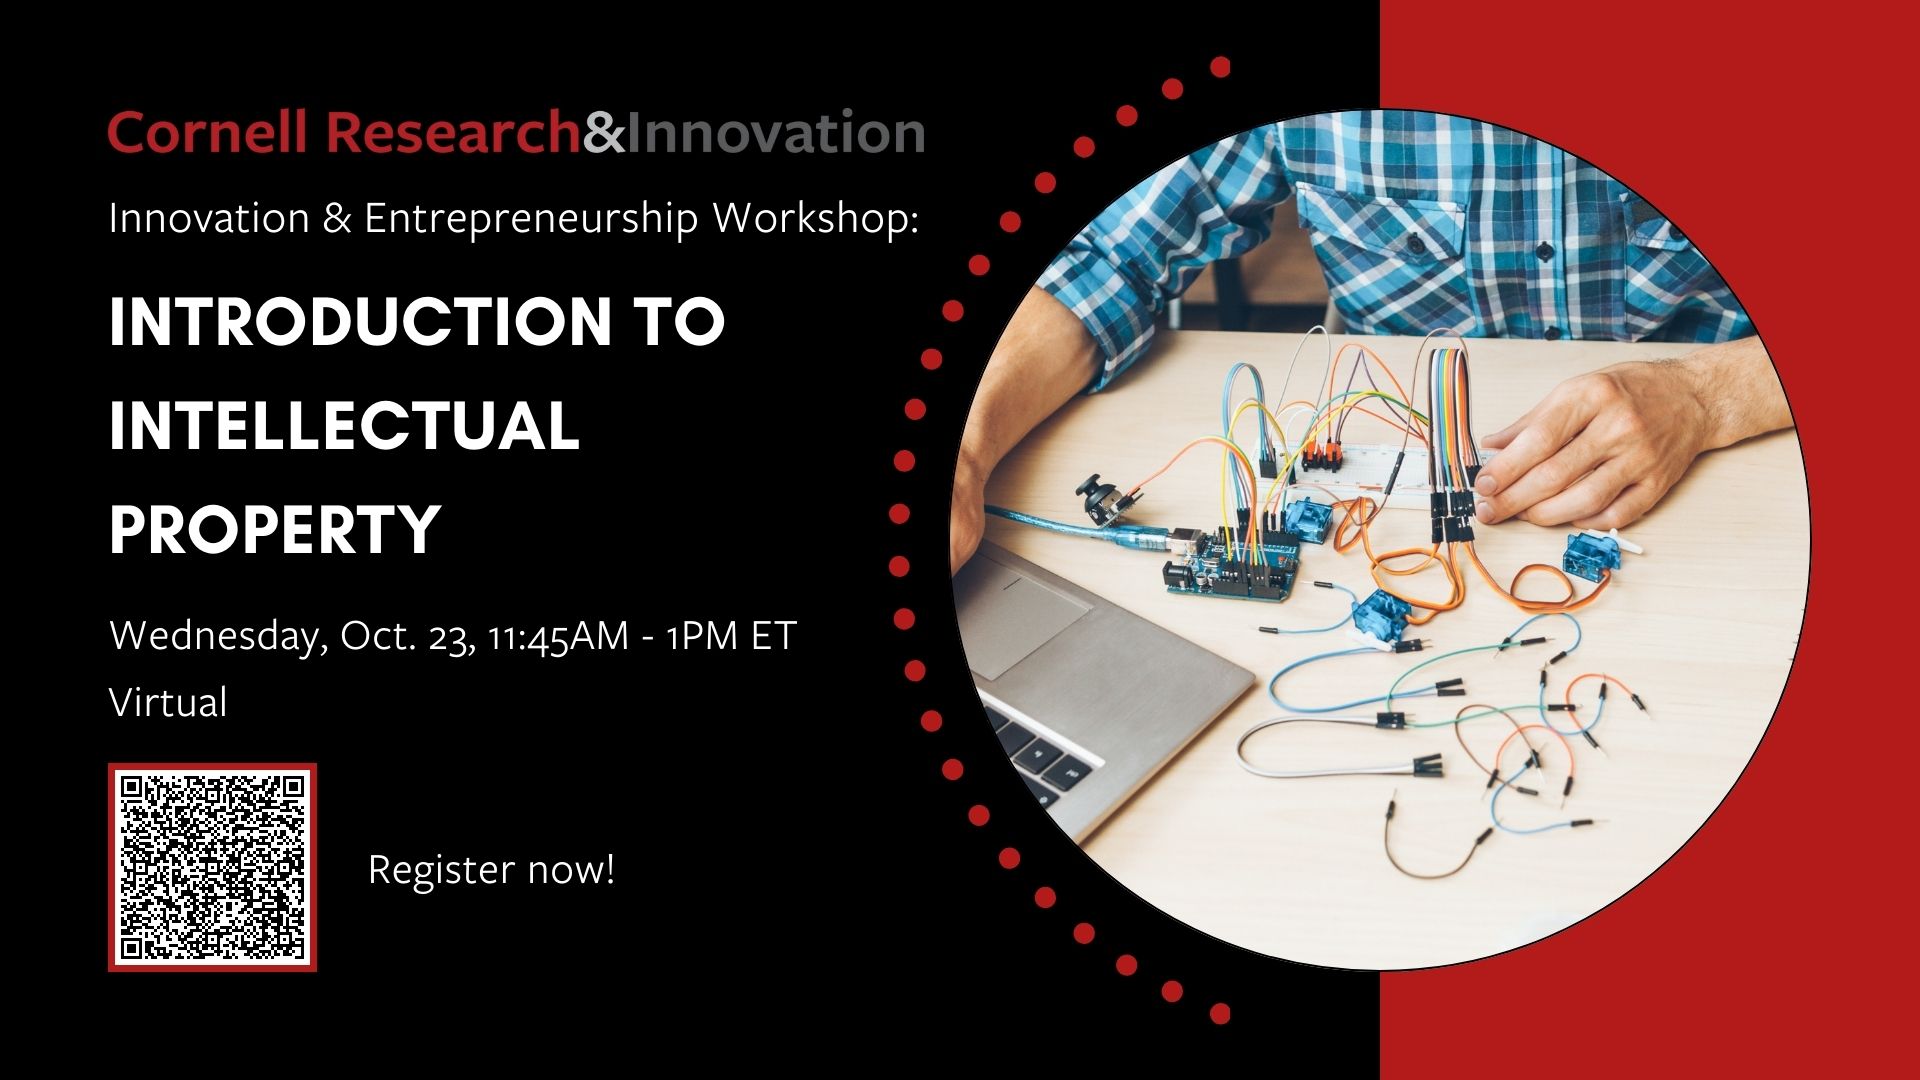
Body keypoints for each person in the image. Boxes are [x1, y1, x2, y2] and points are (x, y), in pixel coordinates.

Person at [953, 111, 1791, 572]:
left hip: (1743, 473)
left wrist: (1710, 394)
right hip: (1382, 512)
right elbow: (1106, 258)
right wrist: (963, 451)